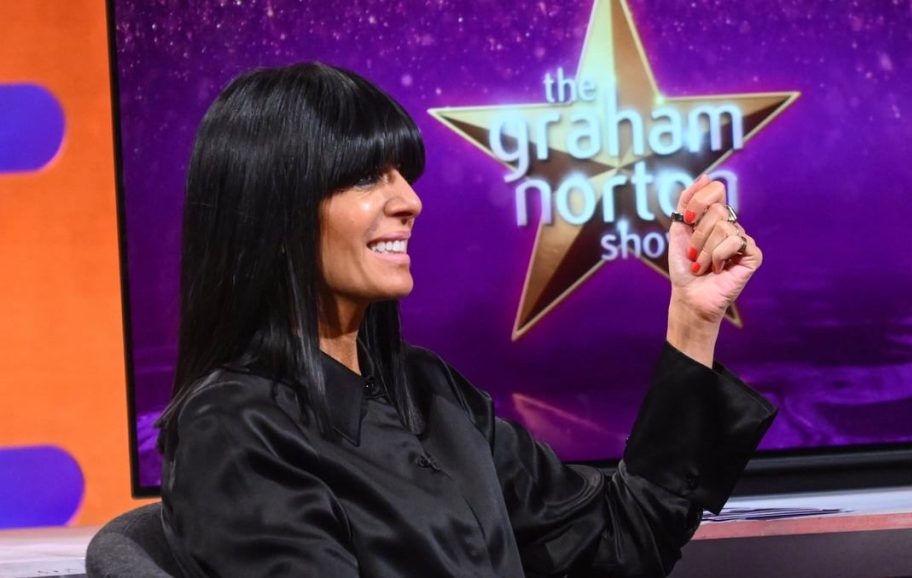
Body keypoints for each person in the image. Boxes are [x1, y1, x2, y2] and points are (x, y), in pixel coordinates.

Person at [156, 62, 777, 578]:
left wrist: (693, 318)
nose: (410, 201)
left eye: (403, 175)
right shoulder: (232, 430)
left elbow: (617, 541)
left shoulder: (428, 389)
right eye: (367, 177)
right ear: (276, 212)